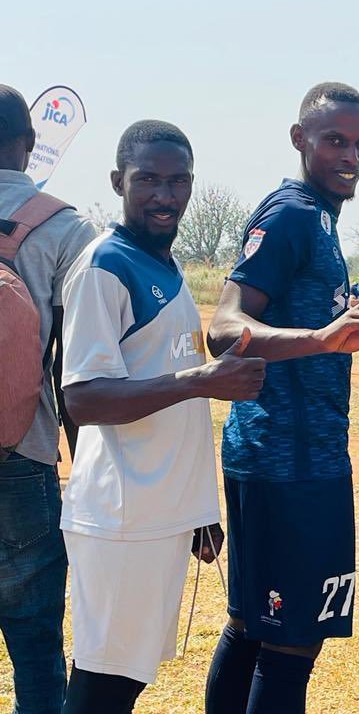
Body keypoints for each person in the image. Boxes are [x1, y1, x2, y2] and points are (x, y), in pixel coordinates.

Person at [58, 121, 266, 713]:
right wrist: (204, 379)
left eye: (178, 182)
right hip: (120, 517)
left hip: (160, 514)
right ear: (118, 181)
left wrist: (196, 509)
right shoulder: (104, 266)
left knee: (126, 680)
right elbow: (85, 398)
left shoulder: (163, 266)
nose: (164, 195)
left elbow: (172, 404)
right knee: (102, 685)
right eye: (147, 179)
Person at [204, 83, 359, 714]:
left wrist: (343, 320)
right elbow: (225, 328)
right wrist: (318, 337)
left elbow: (294, 321)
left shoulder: (319, 219)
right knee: (290, 641)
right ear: (299, 139)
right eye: (335, 140)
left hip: (304, 455)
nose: (351, 155)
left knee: (259, 627)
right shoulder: (289, 212)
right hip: (282, 459)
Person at [0, 84, 95, 714]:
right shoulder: (65, 226)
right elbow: (77, 369)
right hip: (25, 458)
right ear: (28, 145)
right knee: (36, 647)